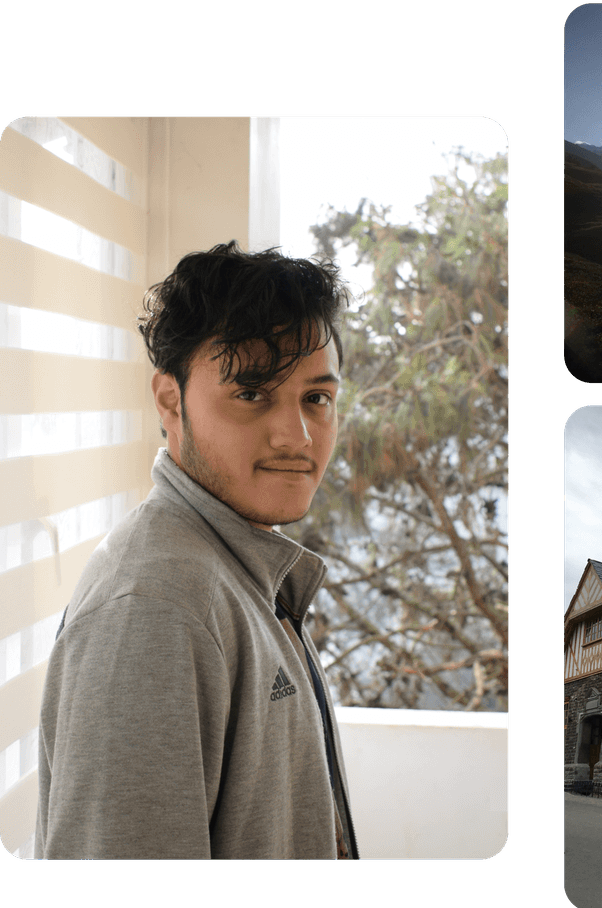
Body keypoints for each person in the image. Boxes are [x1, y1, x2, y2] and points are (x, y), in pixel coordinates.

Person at [38, 242, 362, 858]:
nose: (297, 436)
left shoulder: (227, 572)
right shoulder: (155, 609)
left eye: (316, 398)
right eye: (252, 393)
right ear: (170, 401)